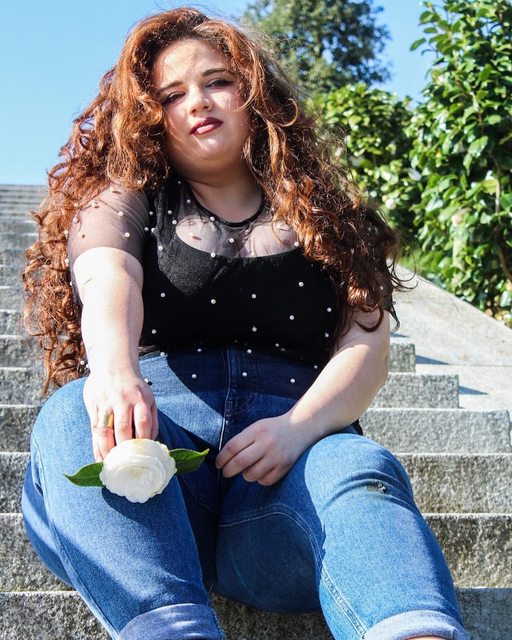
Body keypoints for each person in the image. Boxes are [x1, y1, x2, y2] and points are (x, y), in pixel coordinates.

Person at [21, 7, 468, 640]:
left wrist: (298, 429)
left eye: (217, 81)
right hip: (151, 494)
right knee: (73, 413)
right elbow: (106, 278)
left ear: (255, 93)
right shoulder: (125, 197)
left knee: (354, 462)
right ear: (148, 116)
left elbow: (366, 344)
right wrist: (115, 371)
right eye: (171, 95)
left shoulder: (326, 214)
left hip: (281, 501)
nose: (197, 102)